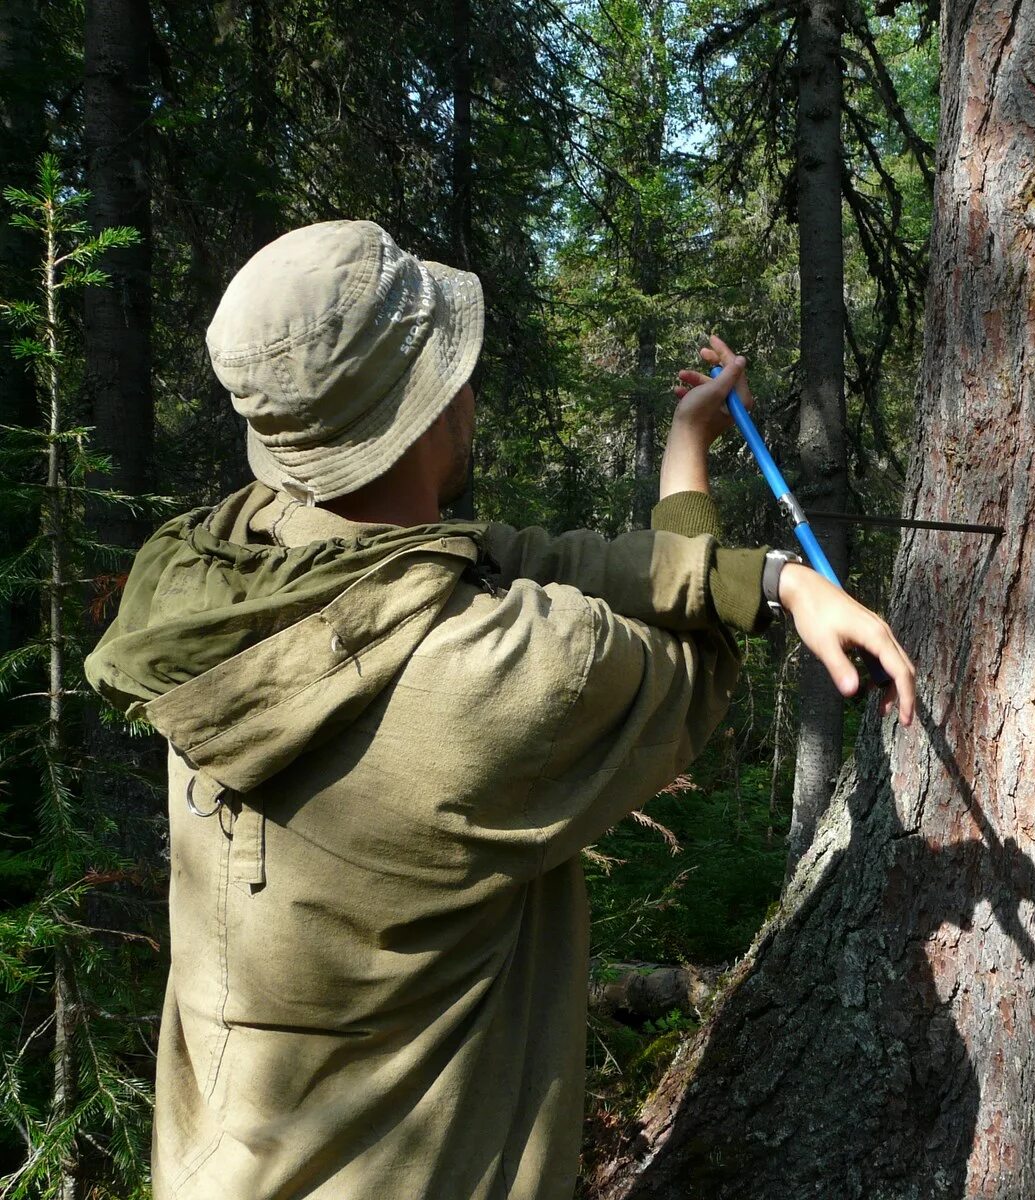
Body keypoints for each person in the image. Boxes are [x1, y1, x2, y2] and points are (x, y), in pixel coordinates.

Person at [85, 219, 915, 1199]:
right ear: (434, 407)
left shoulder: (213, 565)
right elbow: (692, 664)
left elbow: (491, 553)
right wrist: (725, 546)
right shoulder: (496, 676)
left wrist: (772, 575)